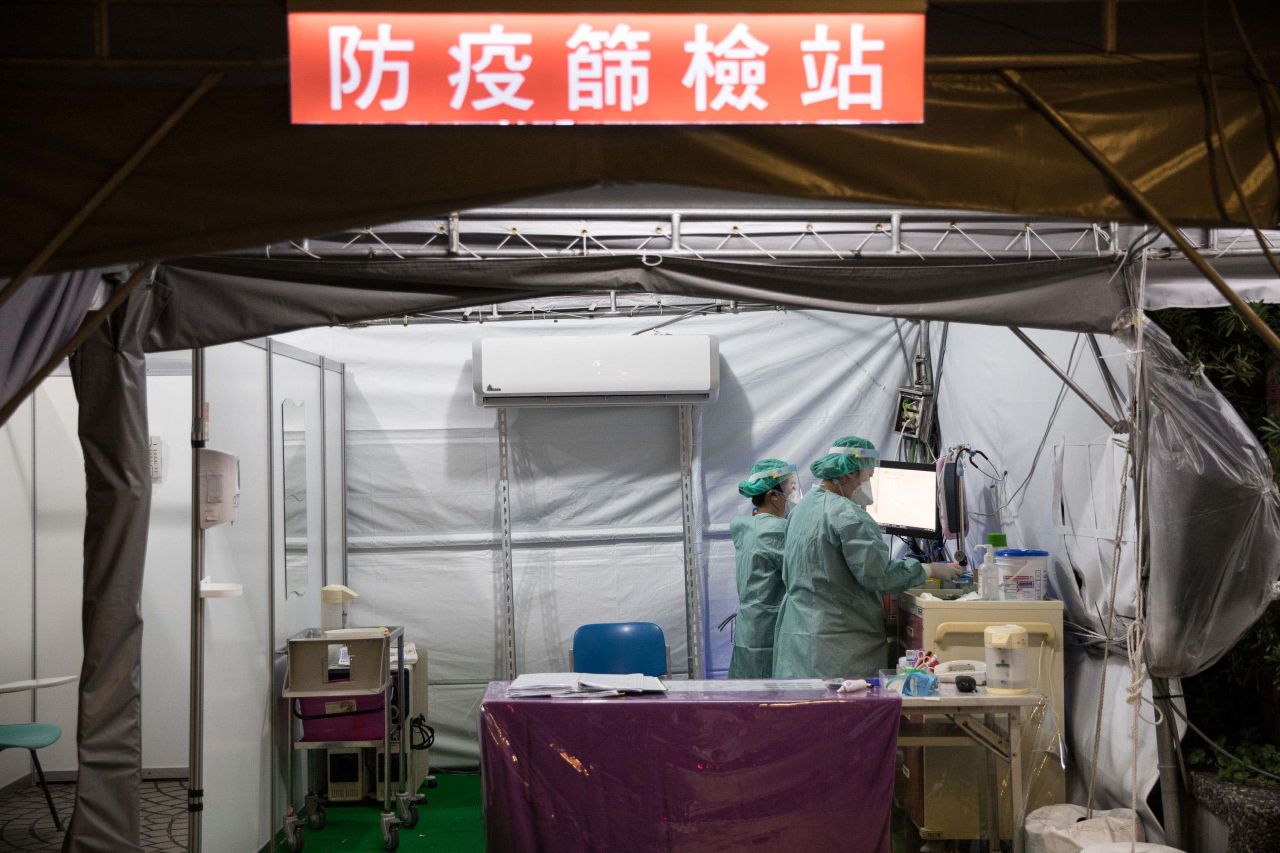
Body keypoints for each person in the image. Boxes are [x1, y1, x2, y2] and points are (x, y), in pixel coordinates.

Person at [773, 436, 961, 679]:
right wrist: (928, 569)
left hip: (799, 636)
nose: (868, 483)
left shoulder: (802, 509)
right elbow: (878, 575)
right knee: (845, 713)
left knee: (808, 711)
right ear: (848, 473)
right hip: (839, 645)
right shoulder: (848, 516)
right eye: (867, 476)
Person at [727, 459, 800, 679]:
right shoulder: (774, 529)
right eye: (791, 489)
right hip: (767, 630)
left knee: (746, 697)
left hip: (749, 627)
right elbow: (802, 570)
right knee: (769, 699)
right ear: (773, 496)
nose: (794, 496)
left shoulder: (747, 525)